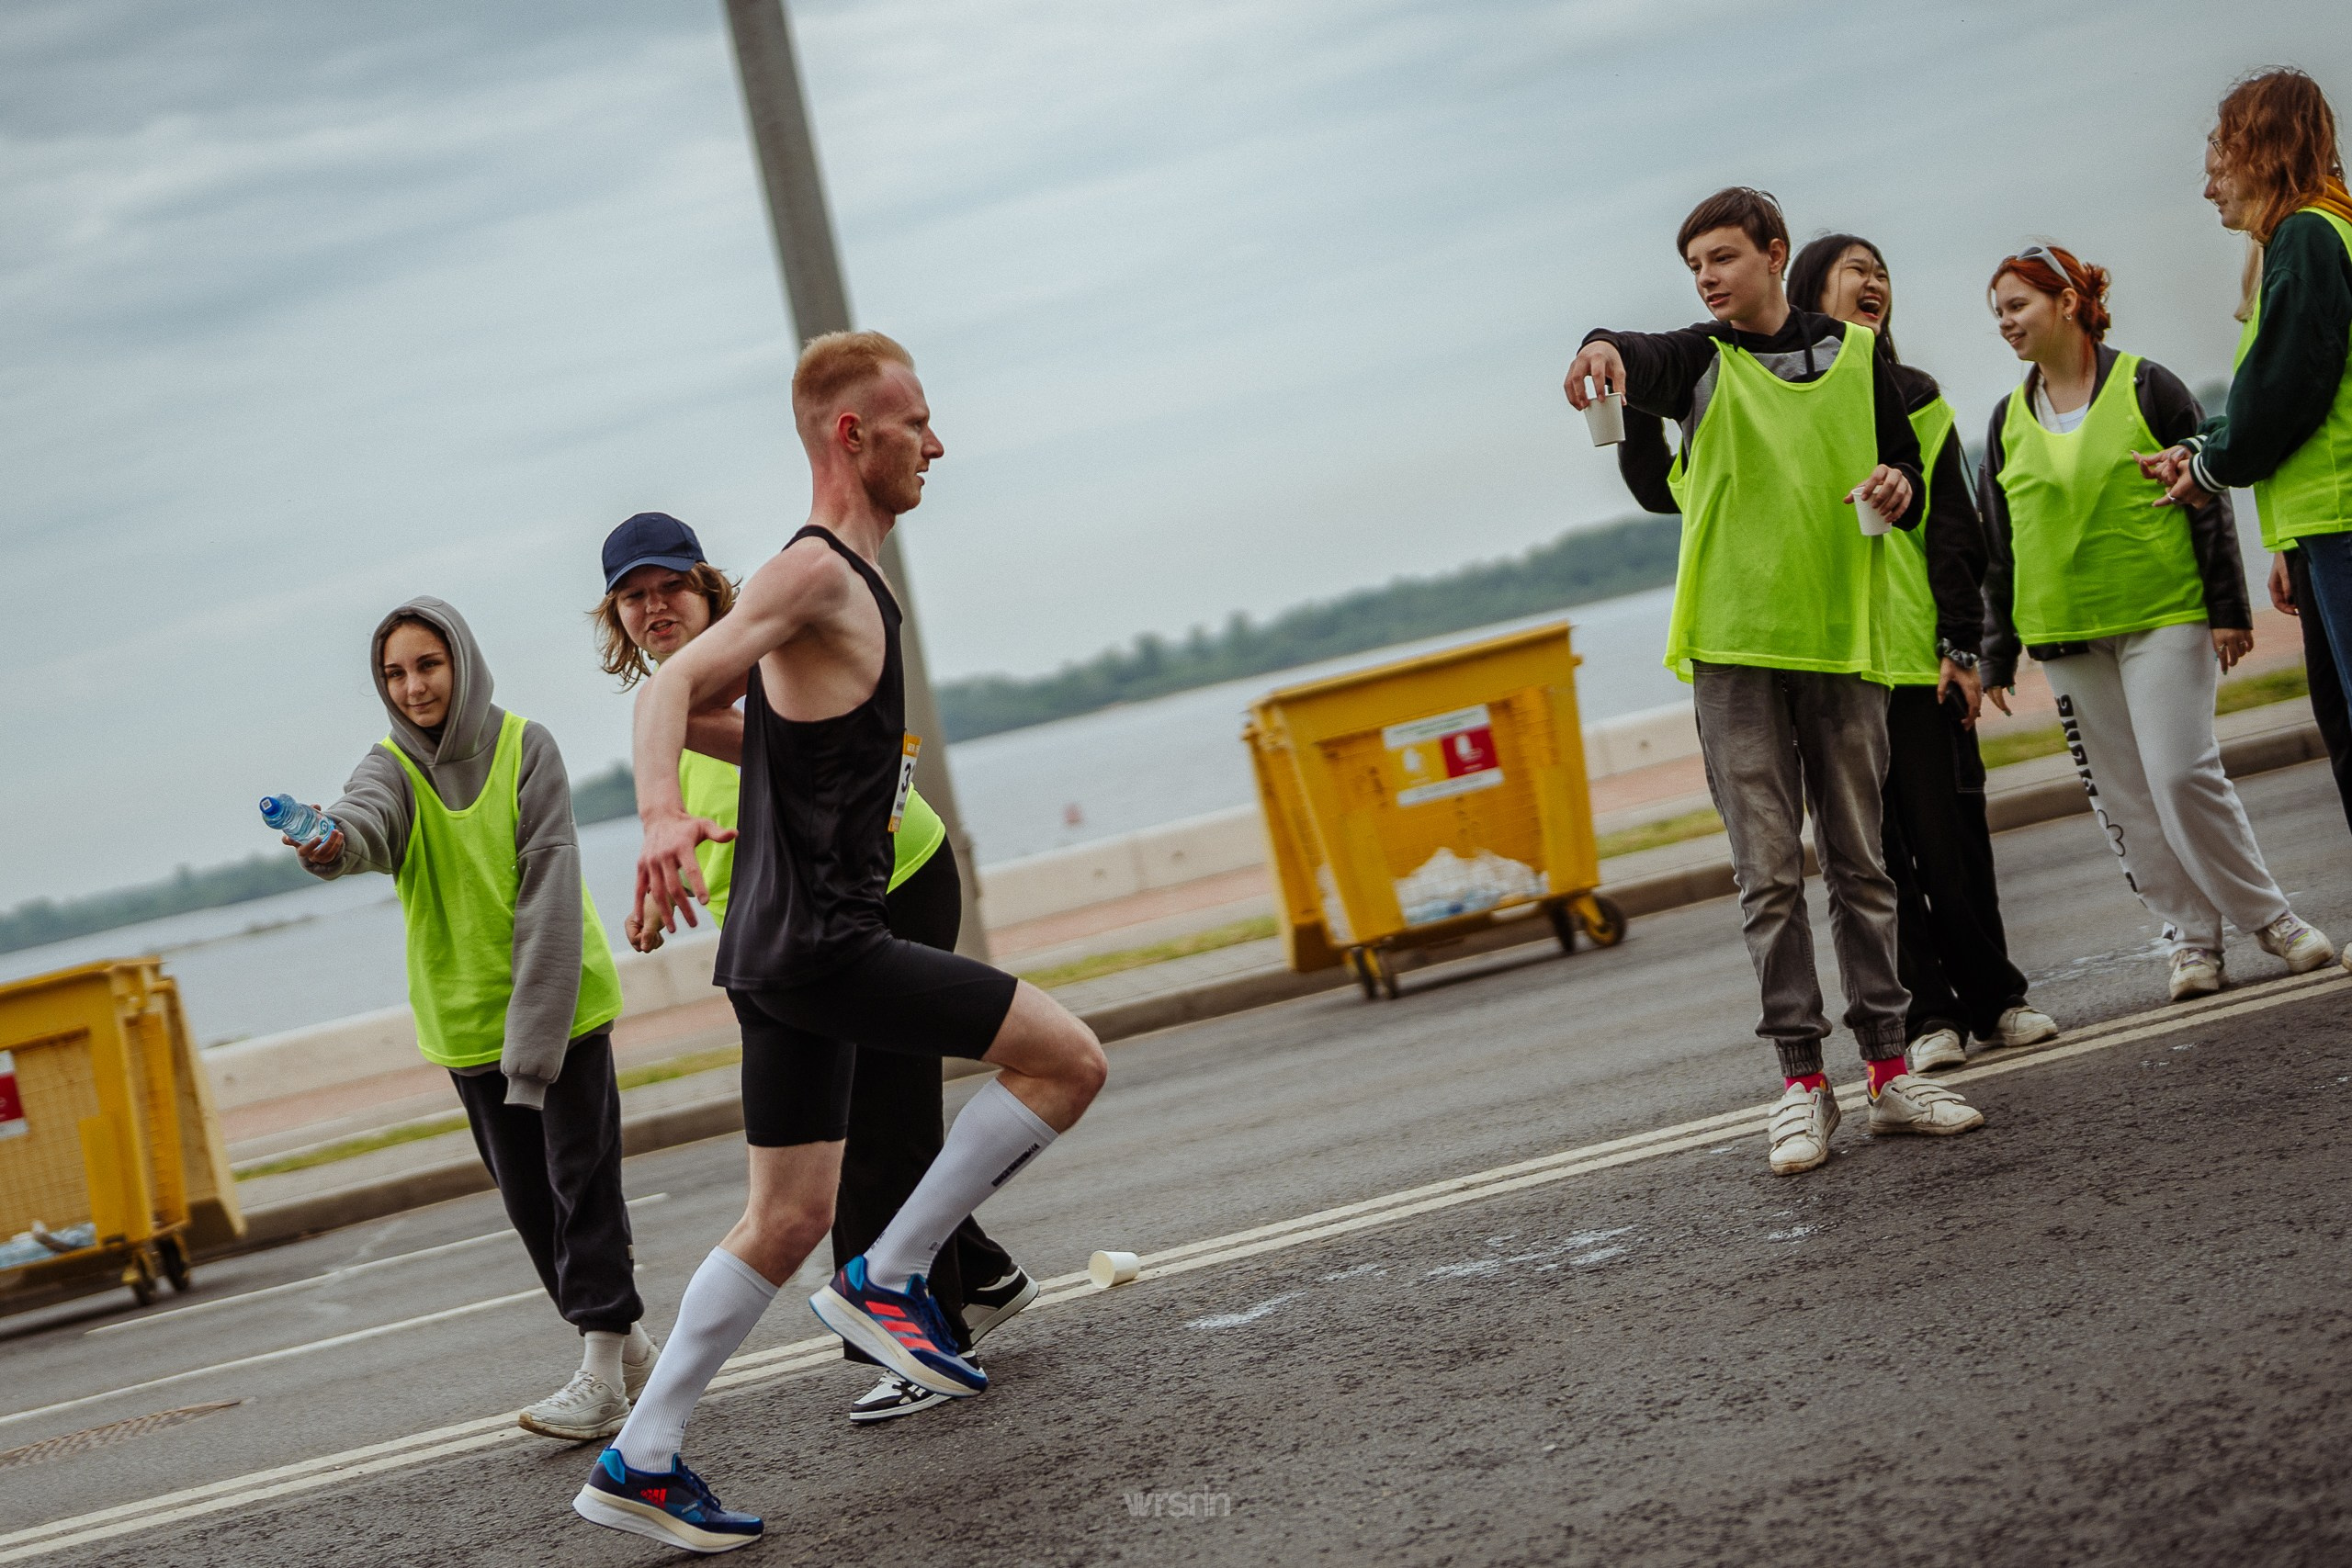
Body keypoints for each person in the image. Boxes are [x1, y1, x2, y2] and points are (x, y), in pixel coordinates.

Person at [573, 332, 1108, 1554]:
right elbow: (666, 688)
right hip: (825, 941)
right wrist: (659, 815)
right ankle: (898, 1273)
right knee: (1068, 1059)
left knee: (783, 1215)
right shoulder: (811, 572)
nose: (938, 440)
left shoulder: (845, 581)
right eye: (917, 420)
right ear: (850, 436)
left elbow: (750, 728)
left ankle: (640, 1457)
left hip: (772, 953)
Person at [1563, 186, 1984, 1178]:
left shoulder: (1859, 355)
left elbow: (1901, 470)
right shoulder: (1698, 359)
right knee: (1768, 879)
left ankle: (1888, 1073)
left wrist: (1899, 484)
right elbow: (1629, 350)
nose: (1706, 279)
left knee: (1861, 867)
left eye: (1720, 259)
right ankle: (1802, 1084)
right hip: (1734, 646)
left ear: (1772, 253)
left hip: (1841, 641)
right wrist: (1598, 351)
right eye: (1693, 267)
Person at [589, 510, 1037, 1425]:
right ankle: (980, 1275)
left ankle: (930, 1336)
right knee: (869, 1122)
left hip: (890, 883)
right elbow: (733, 835)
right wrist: (662, 890)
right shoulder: (682, 701)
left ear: (705, 584)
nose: (651, 607)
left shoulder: (755, 657)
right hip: (800, 918)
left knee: (881, 1125)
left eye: (667, 586)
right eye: (630, 598)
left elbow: (808, 777)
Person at [287, 598, 659, 1442]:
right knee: (536, 1209)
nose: (414, 685)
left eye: (428, 664)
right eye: (395, 672)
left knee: (583, 1191)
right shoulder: (389, 765)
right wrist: (330, 843)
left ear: (461, 660)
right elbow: (364, 821)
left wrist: (537, 1044)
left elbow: (550, 896)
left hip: (561, 1014)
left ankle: (603, 1378)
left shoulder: (528, 747)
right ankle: (627, 1346)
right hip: (467, 1029)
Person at [1978, 243, 2334, 1002]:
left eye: (2017, 305)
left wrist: (2228, 609)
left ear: (2067, 303)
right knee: (2124, 797)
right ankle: (2191, 939)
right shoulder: (2007, 417)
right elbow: (2001, 544)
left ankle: (2271, 919)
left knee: (2181, 774)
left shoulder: (2147, 382)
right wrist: (1996, 651)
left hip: (2164, 615)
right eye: (1998, 312)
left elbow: (2204, 491)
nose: (2005, 323)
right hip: (2067, 633)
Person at [1782, 233, 2058, 1074]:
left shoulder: (1914, 394)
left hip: (1913, 657)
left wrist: (1960, 645)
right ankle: (1928, 1014)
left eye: (1881, 272)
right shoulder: (1783, 404)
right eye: (1854, 271)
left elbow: (1953, 535)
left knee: (1952, 842)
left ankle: (1998, 998)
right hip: (1833, 664)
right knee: (1877, 860)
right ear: (1808, 294)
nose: (1874, 282)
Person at [2142, 68, 2352, 846]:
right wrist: (2213, 454)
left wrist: (2206, 468)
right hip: (2322, 523)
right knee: (2341, 722)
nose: (2209, 192)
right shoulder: (2321, 233)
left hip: (2344, 516)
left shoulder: (2305, 235)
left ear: (2264, 149)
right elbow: (2287, 394)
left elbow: (2288, 389)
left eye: (2219, 165)